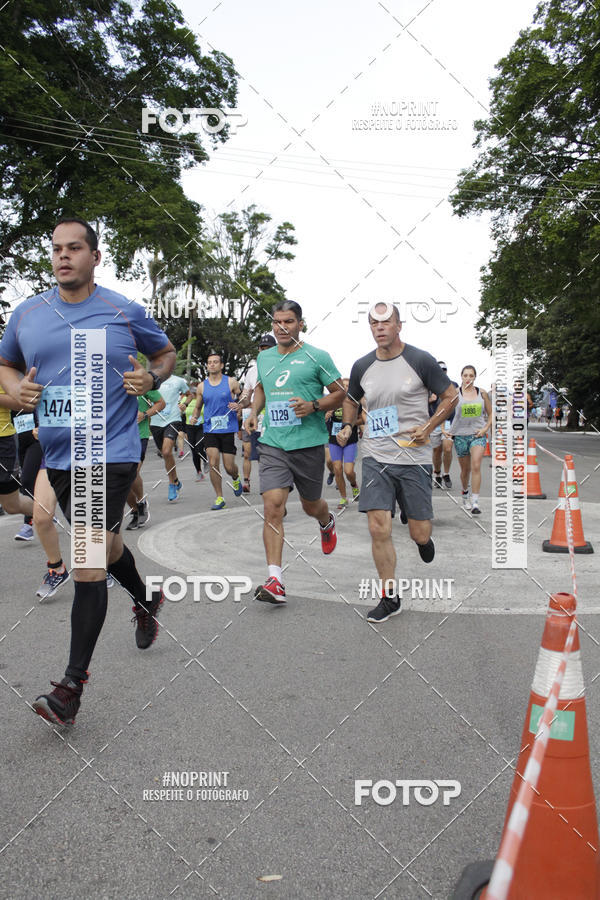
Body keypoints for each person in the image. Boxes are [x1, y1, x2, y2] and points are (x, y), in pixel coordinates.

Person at [0, 216, 176, 725]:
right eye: (56, 249)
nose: (63, 256)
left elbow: (163, 354)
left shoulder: (122, 311)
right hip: (58, 455)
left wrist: (151, 374)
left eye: (74, 248)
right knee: (107, 548)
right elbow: (5, 364)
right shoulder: (28, 314)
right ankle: (146, 599)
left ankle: (70, 688)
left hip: (112, 448)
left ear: (95, 257)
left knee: (86, 560)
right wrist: (16, 391)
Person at [338, 302, 457, 624]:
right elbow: (351, 399)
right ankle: (389, 597)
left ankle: (423, 538)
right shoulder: (363, 365)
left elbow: (451, 396)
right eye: (374, 323)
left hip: (414, 457)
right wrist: (348, 426)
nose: (380, 328)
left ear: (399, 325)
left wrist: (429, 428)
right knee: (378, 527)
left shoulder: (419, 360)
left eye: (386, 322)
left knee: (418, 532)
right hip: (376, 455)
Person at [245, 299, 345, 604]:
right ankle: (275, 579)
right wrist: (253, 411)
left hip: (309, 444)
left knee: (310, 505)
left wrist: (313, 406)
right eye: (277, 322)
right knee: (273, 505)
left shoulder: (317, 357)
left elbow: (341, 393)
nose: (281, 327)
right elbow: (261, 387)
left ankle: (326, 522)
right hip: (274, 442)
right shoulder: (264, 358)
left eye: (288, 322)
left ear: (300, 324)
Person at [191, 352, 243, 509]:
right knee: (213, 462)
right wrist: (194, 417)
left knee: (229, 466)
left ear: (221, 365)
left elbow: (243, 398)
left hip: (227, 429)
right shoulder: (201, 386)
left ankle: (235, 476)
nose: (212, 364)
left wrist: (239, 406)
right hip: (210, 429)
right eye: (209, 362)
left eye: (215, 362)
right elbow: (198, 406)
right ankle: (219, 497)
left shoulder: (231, 382)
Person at [234, 334, 276, 492]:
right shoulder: (252, 371)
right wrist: (240, 403)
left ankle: (274, 488)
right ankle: (249, 482)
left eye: (268, 348)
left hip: (274, 421)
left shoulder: (282, 366)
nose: (264, 351)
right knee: (251, 455)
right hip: (253, 420)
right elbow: (246, 393)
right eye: (262, 348)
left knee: (271, 458)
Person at [449, 365, 492, 514]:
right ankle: (464, 492)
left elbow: (491, 414)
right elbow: (444, 411)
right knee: (465, 470)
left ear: (475, 377)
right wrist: (444, 428)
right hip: (460, 435)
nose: (468, 378)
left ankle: (475, 502)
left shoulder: (483, 393)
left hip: (477, 435)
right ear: (461, 377)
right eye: (465, 375)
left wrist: (485, 429)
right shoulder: (455, 393)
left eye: (471, 375)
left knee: (476, 465)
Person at [125, 387, 165, 529]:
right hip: (115, 437)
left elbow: (160, 402)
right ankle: (135, 511)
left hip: (138, 435)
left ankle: (141, 501)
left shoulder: (139, 379)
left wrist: (145, 414)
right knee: (121, 479)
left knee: (131, 472)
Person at [149, 372, 189, 501]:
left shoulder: (178, 380)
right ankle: (176, 480)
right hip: (155, 422)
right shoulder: (151, 380)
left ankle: (171, 484)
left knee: (167, 451)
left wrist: (185, 404)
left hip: (173, 419)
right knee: (165, 455)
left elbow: (189, 395)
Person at [0, 386, 35, 521]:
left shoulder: (4, 367)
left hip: (3, 441)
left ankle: (44, 514)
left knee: (12, 506)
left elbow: (22, 403)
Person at [326, 379, 361, 510]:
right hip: (334, 439)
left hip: (350, 440)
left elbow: (362, 419)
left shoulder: (354, 402)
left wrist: (349, 425)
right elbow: (322, 419)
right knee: (337, 468)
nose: (345, 388)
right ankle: (343, 497)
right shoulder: (332, 402)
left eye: (348, 386)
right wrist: (327, 415)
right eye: (343, 386)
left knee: (349, 471)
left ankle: (354, 485)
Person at [429, 360, 458, 489]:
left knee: (447, 448)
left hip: (448, 422)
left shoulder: (453, 384)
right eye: (440, 370)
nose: (442, 372)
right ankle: (438, 474)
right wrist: (430, 399)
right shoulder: (429, 385)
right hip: (435, 422)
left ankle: (446, 474)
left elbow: (458, 401)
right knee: (436, 451)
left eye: (444, 370)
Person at [181, 383, 206, 482]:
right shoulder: (185, 400)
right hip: (189, 427)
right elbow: (182, 414)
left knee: (199, 447)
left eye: (196, 391)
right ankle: (199, 472)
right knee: (193, 450)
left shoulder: (203, 400)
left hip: (202, 426)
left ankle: (205, 460)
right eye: (192, 391)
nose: (194, 393)